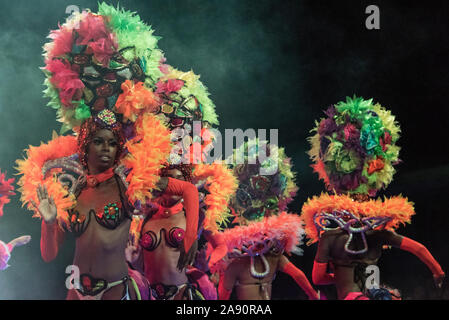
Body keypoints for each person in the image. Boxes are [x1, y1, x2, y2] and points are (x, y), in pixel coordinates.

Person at [302, 96, 445, 300]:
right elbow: (419, 248)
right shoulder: (377, 233)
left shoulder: (329, 237)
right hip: (373, 291)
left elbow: (317, 278)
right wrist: (438, 272)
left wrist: (340, 277)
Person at [212, 140, 319, 300]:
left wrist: (313, 296)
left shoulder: (274, 259)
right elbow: (223, 296)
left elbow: (299, 276)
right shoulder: (236, 266)